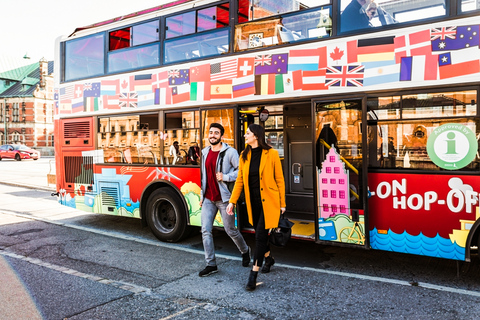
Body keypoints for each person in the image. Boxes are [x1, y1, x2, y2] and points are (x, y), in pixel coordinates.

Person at [227, 124, 286, 291]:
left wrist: (283, 204)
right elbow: (239, 180)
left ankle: (253, 275)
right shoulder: (244, 155)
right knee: (259, 233)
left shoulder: (272, 154)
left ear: (256, 135)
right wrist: (232, 201)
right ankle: (268, 259)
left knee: (260, 236)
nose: (245, 135)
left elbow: (280, 180)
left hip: (269, 202)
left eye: (247, 133)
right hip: (252, 204)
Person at [199, 123, 250, 277]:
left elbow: (241, 171)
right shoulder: (205, 152)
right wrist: (202, 196)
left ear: (221, 136)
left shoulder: (230, 152)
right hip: (208, 198)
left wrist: (226, 177)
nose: (212, 135)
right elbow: (204, 176)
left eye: (216, 133)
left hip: (225, 199)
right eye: (210, 132)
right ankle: (211, 264)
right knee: (205, 230)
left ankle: (245, 250)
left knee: (230, 230)